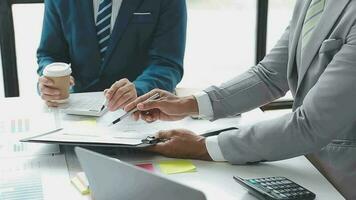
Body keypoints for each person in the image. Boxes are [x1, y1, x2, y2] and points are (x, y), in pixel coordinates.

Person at [125, 0, 356, 198]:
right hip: (308, 169)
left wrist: (203, 147)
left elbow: (310, 125)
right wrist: (189, 104)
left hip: (343, 178)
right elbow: (268, 75)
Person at [36, 0, 186, 110]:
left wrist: (139, 89)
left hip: (138, 110)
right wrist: (49, 81)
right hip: (75, 109)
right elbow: (50, 54)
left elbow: (167, 63)